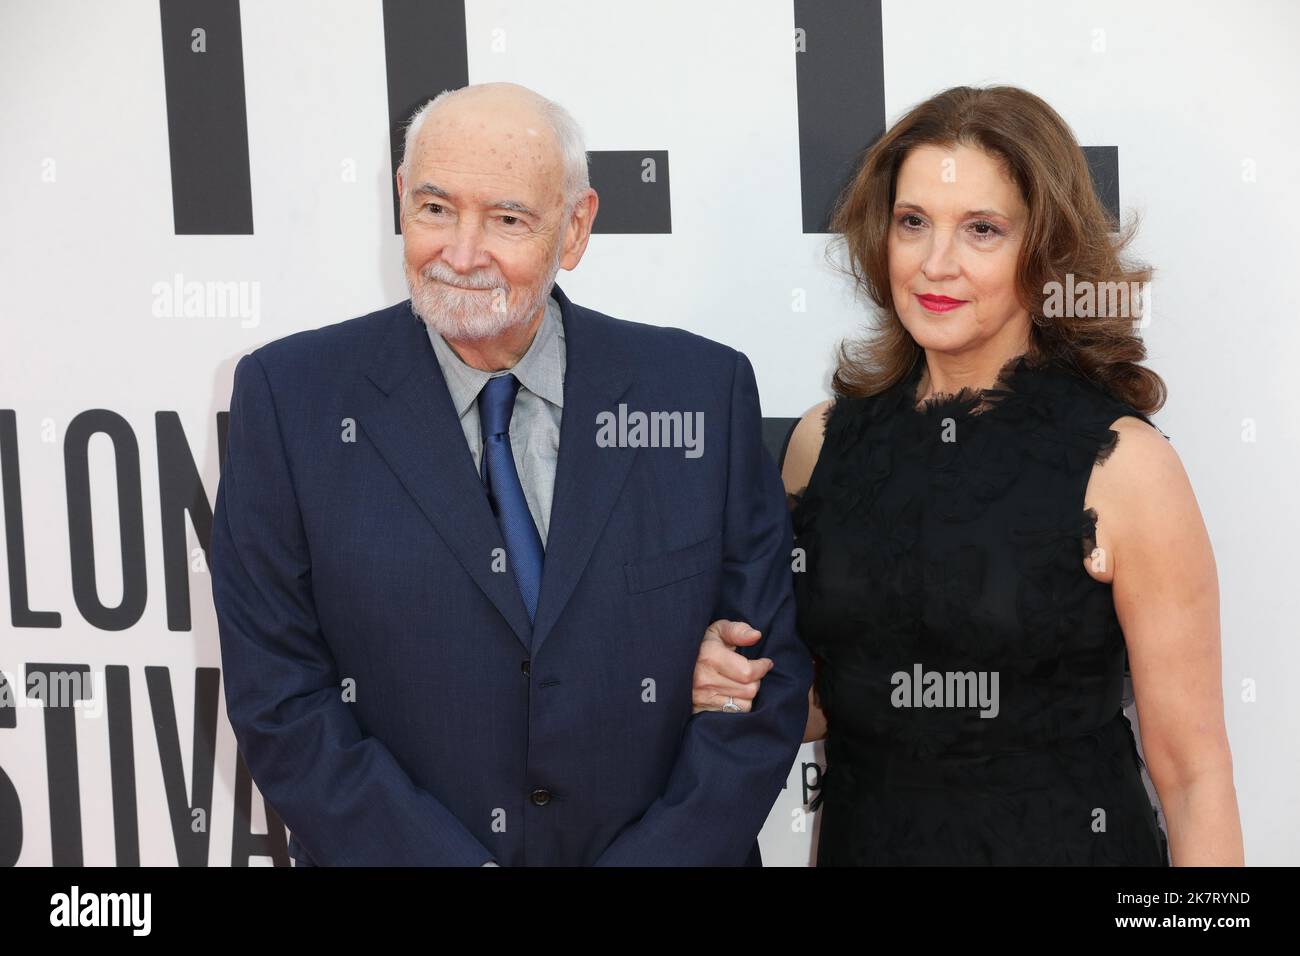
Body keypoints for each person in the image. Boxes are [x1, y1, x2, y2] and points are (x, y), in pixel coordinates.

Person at [210, 82, 810, 866]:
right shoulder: (291, 400)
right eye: (434, 209)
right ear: (399, 198)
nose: (461, 253)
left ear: (576, 228)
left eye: (507, 219)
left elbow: (765, 683)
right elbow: (282, 703)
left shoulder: (700, 392)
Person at [692, 86, 1243, 865]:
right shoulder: (824, 441)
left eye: (982, 229)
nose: (935, 263)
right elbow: (822, 702)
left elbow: (1194, 776)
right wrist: (726, 674)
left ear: (1045, 249)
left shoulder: (1122, 467)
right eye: (913, 223)